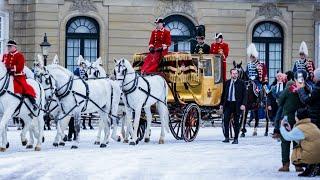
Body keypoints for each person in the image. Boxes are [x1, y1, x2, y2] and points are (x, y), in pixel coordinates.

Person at [277, 70, 308, 172]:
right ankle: (298, 165)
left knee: (285, 142)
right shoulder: (306, 89)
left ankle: (285, 165)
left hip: (287, 118)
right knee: (297, 142)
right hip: (300, 119)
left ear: (295, 79)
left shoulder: (288, 89)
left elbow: (280, 101)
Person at [280, 108, 320, 177]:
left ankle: (311, 166)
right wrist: (291, 131)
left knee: (296, 153)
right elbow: (303, 139)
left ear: (298, 117)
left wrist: (282, 126)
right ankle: (316, 167)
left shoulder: (300, 128)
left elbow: (287, 137)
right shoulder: (313, 125)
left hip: (313, 156)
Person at [2, 40, 37, 110]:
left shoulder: (20, 56)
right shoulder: (6, 56)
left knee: (25, 87)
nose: (8, 48)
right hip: (8, 75)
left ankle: (33, 102)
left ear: (14, 47)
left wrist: (11, 68)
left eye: (10, 46)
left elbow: (20, 67)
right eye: (8, 46)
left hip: (18, 76)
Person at [220, 68, 246, 144]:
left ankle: (236, 139)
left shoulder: (241, 83)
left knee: (236, 122)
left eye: (236, 73)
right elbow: (223, 94)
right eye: (233, 73)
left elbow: (245, 95)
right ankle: (227, 137)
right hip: (228, 104)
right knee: (226, 121)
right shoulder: (227, 82)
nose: (234, 75)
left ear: (237, 74)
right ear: (231, 74)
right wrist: (221, 104)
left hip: (237, 104)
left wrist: (243, 104)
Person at [270, 72, 287, 139]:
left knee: (281, 118)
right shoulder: (273, 86)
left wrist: (279, 98)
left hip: (283, 105)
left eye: (280, 76)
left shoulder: (286, 85)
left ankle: (281, 133)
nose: (279, 78)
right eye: (278, 76)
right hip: (275, 105)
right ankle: (277, 132)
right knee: (276, 119)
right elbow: (269, 95)